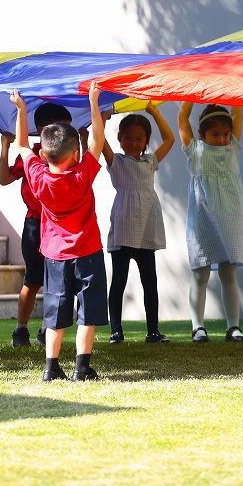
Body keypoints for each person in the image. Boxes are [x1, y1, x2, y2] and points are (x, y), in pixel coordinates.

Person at [21, 88, 109, 382]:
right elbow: (97, 139)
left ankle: (51, 367)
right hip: (87, 252)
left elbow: (22, 146)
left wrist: (21, 108)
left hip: (55, 256)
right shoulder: (82, 174)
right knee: (89, 310)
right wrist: (94, 102)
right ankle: (81, 368)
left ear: (43, 153)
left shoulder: (37, 176)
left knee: (56, 309)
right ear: (75, 154)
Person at [95, 101, 175, 343]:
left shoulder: (150, 162)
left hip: (146, 230)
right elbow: (98, 141)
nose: (133, 143)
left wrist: (155, 112)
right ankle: (116, 331)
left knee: (150, 281)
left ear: (146, 141)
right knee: (118, 280)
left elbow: (170, 139)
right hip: (123, 229)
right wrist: (103, 118)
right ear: (119, 138)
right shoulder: (116, 162)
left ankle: (153, 331)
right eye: (128, 138)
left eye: (139, 139)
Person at [178, 102, 243, 343]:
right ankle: (197, 327)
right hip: (202, 221)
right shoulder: (195, 150)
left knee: (229, 275)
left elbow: (238, 112)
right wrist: (191, 94)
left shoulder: (233, 148)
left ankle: (234, 327)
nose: (221, 139)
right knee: (200, 274)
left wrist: (230, 87)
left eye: (225, 134)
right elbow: (182, 117)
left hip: (231, 219)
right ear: (201, 134)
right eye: (215, 134)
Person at [0, 102, 70, 347]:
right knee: (32, 279)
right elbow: (4, 178)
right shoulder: (33, 154)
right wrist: (4, 148)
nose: (65, 133)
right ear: (42, 129)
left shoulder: (67, 154)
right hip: (35, 224)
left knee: (58, 281)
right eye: (61, 127)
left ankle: (45, 330)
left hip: (59, 227)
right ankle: (21, 330)